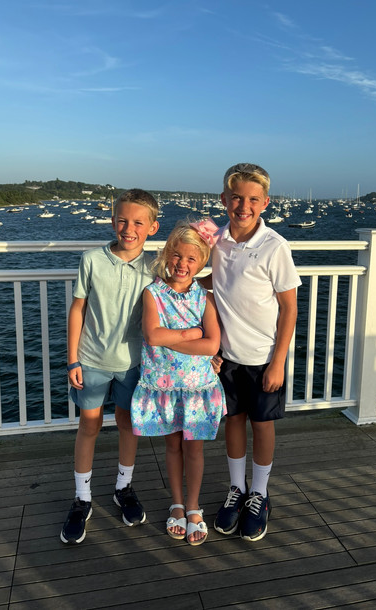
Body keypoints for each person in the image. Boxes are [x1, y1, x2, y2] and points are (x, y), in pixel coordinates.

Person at [203, 163, 301, 542]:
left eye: (253, 199)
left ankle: (259, 492)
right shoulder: (217, 241)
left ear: (265, 203)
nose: (244, 205)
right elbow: (213, 280)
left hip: (263, 358)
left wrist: (278, 360)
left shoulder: (274, 245)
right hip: (226, 355)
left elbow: (289, 307)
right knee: (233, 421)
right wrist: (175, 276)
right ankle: (236, 489)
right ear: (224, 200)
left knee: (262, 425)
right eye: (237, 198)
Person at [60, 188, 160, 545]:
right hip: (90, 360)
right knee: (89, 425)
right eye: (122, 219)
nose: (128, 228)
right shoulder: (92, 259)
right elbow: (78, 309)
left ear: (152, 227)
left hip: (134, 364)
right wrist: (72, 358)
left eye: (137, 222)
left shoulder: (156, 265)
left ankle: (124, 487)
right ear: (112, 220)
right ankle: (82, 497)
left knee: (128, 423)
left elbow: (190, 278)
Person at [130, 219, 226, 546]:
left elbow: (212, 345)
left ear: (201, 263)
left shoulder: (205, 297)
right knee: (173, 446)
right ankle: (177, 503)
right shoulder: (152, 293)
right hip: (164, 387)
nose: (182, 264)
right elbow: (152, 335)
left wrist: (176, 339)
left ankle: (195, 504)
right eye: (177, 256)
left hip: (198, 387)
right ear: (167, 254)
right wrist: (190, 334)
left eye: (191, 259)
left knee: (194, 448)